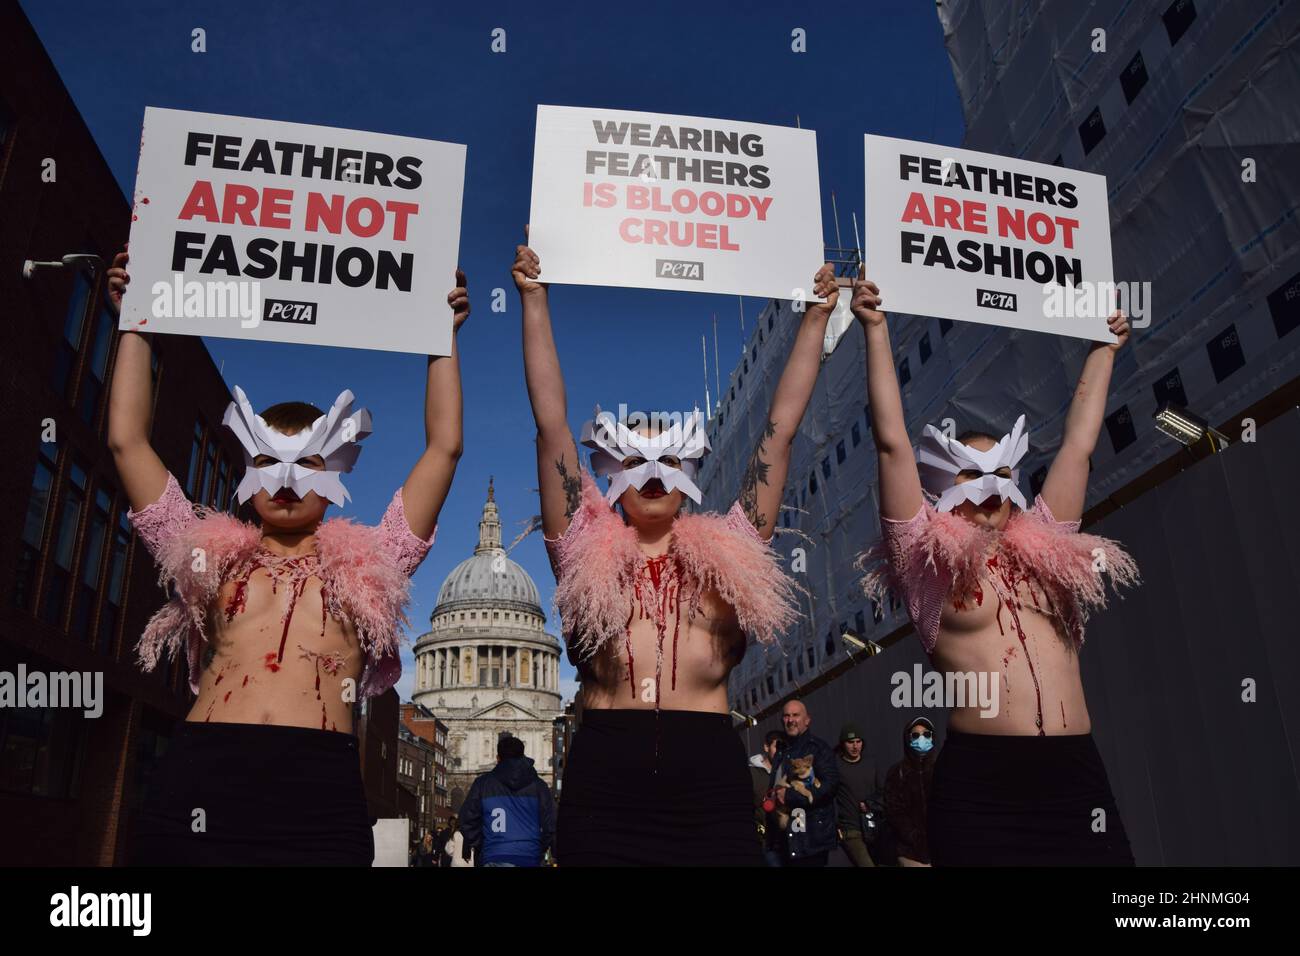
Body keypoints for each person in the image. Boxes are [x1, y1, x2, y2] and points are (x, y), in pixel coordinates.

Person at [107, 246, 470, 865]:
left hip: (318, 785)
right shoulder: (205, 557)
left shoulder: (372, 562)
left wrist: (443, 338)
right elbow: (125, 441)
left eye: (306, 464)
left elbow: (444, 450)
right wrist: (134, 319)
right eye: (267, 462)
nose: (284, 481)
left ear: (335, 471)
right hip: (205, 768)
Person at [513, 234, 835, 865]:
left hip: (708, 778)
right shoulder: (582, 549)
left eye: (669, 457)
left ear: (690, 469)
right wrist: (533, 299)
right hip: (605, 773)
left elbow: (779, 433)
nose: (654, 473)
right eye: (635, 458)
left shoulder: (731, 553)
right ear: (612, 472)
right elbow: (552, 427)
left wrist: (816, 318)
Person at [852, 273, 1139, 866]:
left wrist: (1103, 351)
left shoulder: (1047, 544)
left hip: (1075, 773)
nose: (986, 493)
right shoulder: (924, 564)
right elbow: (891, 446)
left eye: (1000, 477)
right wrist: (876, 330)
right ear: (941, 490)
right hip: (984, 787)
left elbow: (1078, 448)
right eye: (968, 479)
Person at [457, 735, 556, 867]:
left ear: (498, 758)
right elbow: (551, 824)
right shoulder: (539, 786)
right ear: (523, 756)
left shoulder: (483, 784)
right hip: (529, 855)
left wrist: (483, 844)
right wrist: (538, 847)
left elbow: (466, 820)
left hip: (493, 855)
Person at [772, 700, 840, 867]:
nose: (790, 720)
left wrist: (790, 796)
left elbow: (830, 785)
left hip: (811, 837)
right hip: (785, 838)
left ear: (807, 720)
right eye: (786, 716)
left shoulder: (818, 748)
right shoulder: (782, 752)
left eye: (796, 715)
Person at [882, 717, 938, 867]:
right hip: (910, 854)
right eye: (915, 735)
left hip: (942, 849)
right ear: (907, 739)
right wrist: (914, 837)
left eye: (926, 734)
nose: (921, 739)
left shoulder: (943, 768)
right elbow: (894, 811)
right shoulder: (897, 772)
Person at [833, 723, 879, 867]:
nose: (855, 746)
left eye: (858, 742)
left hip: (874, 827)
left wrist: (870, 803)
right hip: (851, 830)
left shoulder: (871, 763)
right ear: (843, 744)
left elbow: (883, 791)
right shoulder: (835, 766)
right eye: (850, 742)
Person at [749, 730, 789, 866]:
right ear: (766, 747)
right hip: (766, 844)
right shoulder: (751, 774)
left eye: (784, 748)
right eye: (777, 747)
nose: (780, 752)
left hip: (789, 842)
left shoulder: (788, 773)